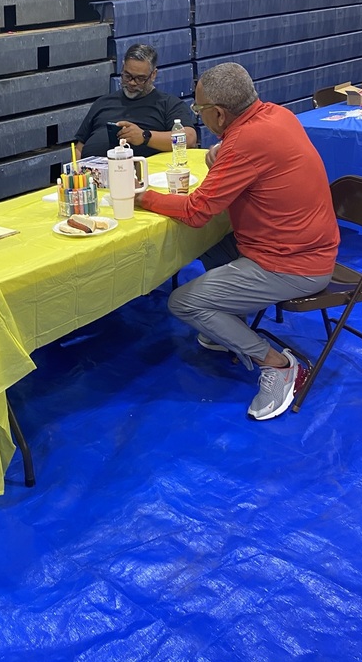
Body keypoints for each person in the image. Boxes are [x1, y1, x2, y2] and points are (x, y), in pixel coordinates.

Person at [135, 63, 339, 421]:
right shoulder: (276, 115)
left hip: (294, 264)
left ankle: (276, 364)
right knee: (203, 241)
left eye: (200, 111)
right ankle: (228, 322)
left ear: (218, 113)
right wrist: (225, 153)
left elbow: (198, 210)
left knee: (183, 302)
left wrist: (144, 198)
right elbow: (249, 165)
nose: (200, 117)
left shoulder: (246, 141)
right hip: (299, 246)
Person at [73, 43, 198, 158]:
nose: (132, 83)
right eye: (127, 76)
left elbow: (189, 138)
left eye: (140, 78)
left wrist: (145, 137)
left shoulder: (168, 104)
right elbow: (80, 146)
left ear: (153, 75)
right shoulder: (102, 102)